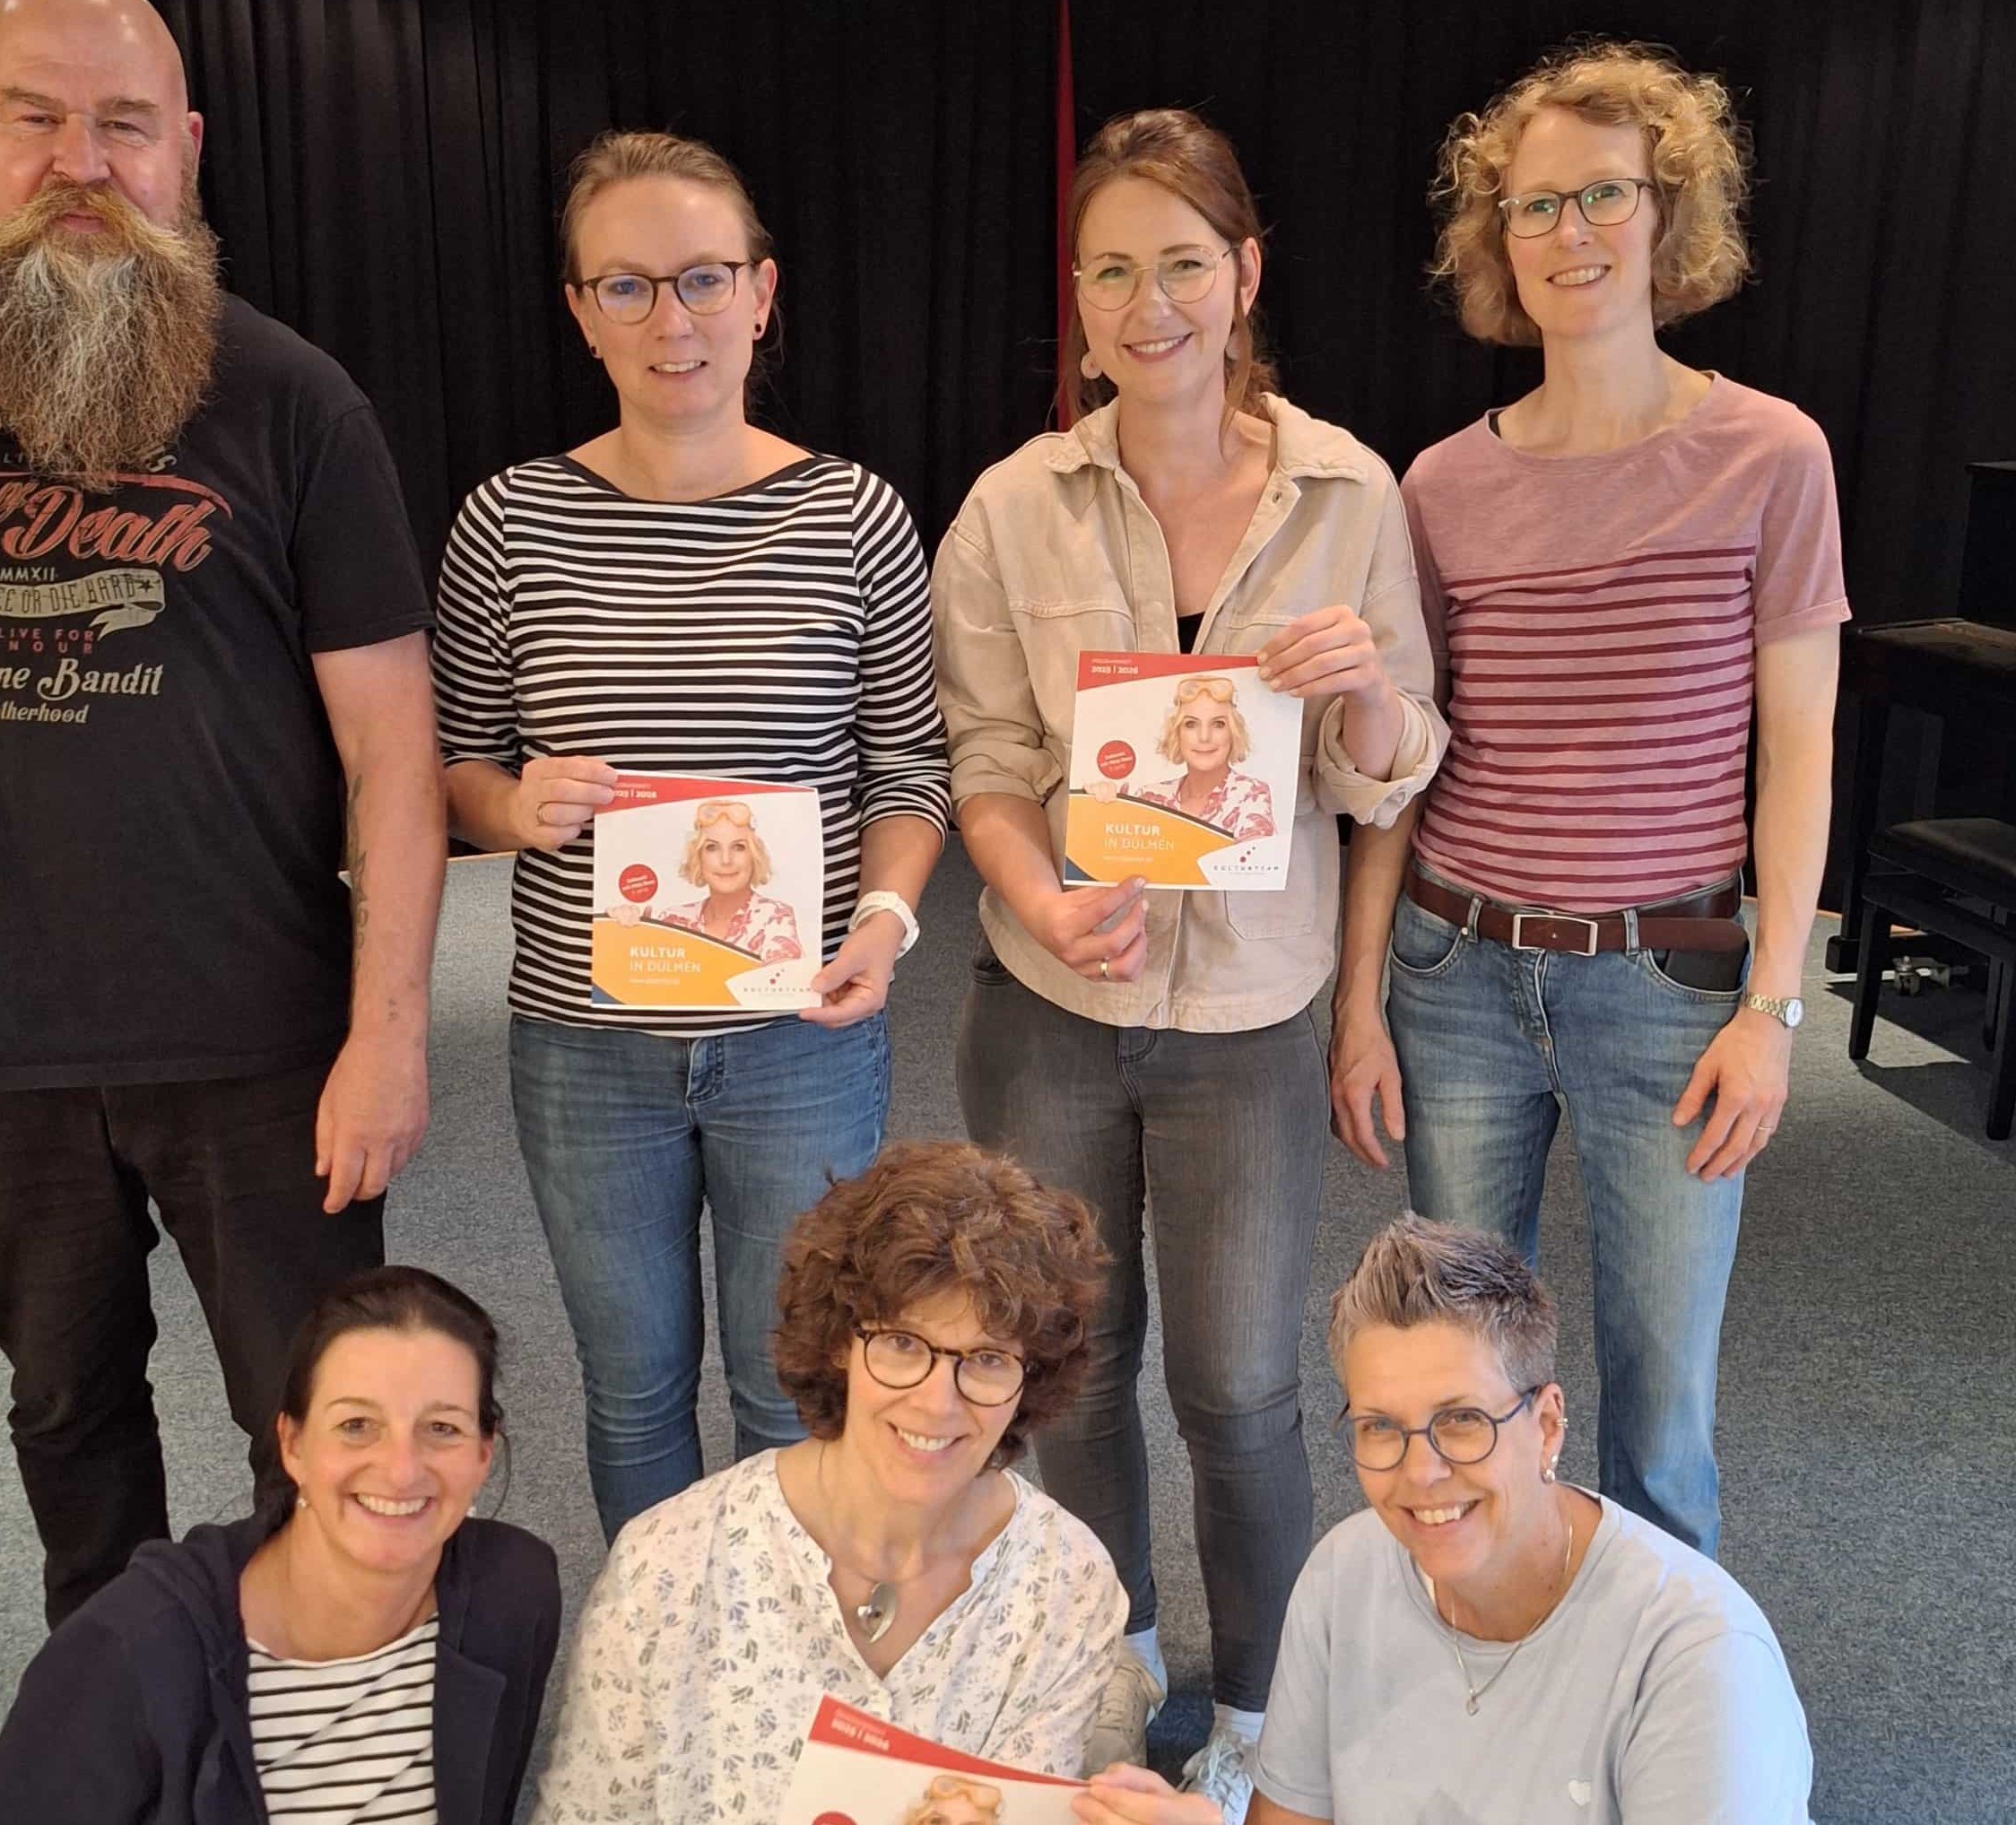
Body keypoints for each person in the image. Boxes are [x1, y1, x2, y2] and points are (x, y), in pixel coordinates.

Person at [0, 0, 444, 1627]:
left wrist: (390, 1032)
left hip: (262, 1044)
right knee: (66, 1418)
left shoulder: (294, 401)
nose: (83, 163)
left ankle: (316, 1701)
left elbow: (393, 750)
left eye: (124, 123)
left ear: (184, 150)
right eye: (38, 118)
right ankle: (118, 1704)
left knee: (318, 1426)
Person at [933, 109, 1447, 1817]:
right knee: (1068, 1371)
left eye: (1179, 266)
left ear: (1243, 275)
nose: (1145, 305)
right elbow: (985, 756)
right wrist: (1033, 888)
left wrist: (1360, 691)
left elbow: (1389, 775)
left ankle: (1256, 1709)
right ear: (1076, 299)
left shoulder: (1347, 491)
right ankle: (1117, 1653)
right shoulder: (1013, 504)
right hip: (1050, 1007)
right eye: (1109, 272)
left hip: (1248, 1012)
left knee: (1240, 1389)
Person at [1331, 41, 1846, 1558]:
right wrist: (1358, 1002)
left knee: (1661, 1415)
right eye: (1535, 204)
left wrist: (1776, 1006)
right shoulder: (1440, 486)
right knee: (1456, 1386)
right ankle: (1477, 1655)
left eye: (1604, 194)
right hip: (1455, 977)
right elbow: (1403, 768)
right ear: (1497, 237)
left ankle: (1653, 1695)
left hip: (1666, 988)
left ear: (1667, 212)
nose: (1570, 232)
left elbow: (1800, 754)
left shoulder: (1771, 455)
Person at [432, 130, 950, 1542]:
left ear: (762, 293)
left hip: (801, 1036)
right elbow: (455, 765)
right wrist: (509, 806)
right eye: (629, 285)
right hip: (585, 1042)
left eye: (705, 278)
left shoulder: (853, 515)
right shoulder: (508, 522)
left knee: (794, 1389)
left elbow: (910, 769)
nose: (674, 320)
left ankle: (783, 1650)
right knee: (633, 1390)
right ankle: (659, 1648)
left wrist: (886, 924)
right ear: (581, 310)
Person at [542, 1141, 1215, 1822]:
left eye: (986, 1358)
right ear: (839, 1342)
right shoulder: (667, 1565)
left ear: (1030, 1377)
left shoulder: (1065, 1585)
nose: (938, 1402)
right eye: (902, 1343)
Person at [1250, 1218, 1813, 1823]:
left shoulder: (1698, 1662)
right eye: (1381, 1426)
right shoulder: (1342, 1576)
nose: (1420, 1472)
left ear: (1547, 1426)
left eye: (1462, 1420)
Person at [0, 1267, 563, 1825]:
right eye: (356, 1425)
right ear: (293, 1444)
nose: (402, 1470)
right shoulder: (127, 1647)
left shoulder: (514, 1592)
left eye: (442, 1428)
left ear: (483, 1454)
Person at [1116, 676, 1275, 841]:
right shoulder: (1149, 797)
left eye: (1218, 724)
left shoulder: (1251, 794)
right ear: (1177, 733)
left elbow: (1256, 855)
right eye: (1191, 724)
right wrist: (1107, 809)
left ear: (1233, 733)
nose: (1204, 737)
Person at [645, 798, 804, 960]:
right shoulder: (672, 919)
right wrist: (634, 933)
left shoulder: (775, 917)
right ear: (699, 857)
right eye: (712, 847)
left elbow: (781, 975)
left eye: (739, 847)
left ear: (753, 856)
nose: (726, 860)